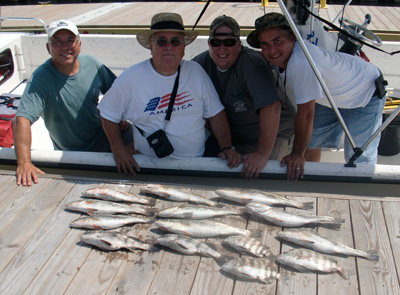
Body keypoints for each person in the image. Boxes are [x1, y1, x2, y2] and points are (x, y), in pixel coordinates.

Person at [97, 12, 241, 176]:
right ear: (151, 47)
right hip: (148, 166)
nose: (169, 46)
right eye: (161, 41)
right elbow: (107, 113)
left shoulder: (195, 71)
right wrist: (118, 149)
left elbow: (216, 114)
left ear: (183, 49)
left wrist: (226, 148)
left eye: (175, 41)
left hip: (198, 162)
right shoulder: (131, 77)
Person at [247, 12, 387, 181]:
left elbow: (306, 113)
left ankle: (365, 195)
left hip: (365, 92)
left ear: (293, 38)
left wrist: (297, 154)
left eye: (277, 41)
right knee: (310, 141)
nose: (272, 50)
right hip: (332, 96)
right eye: (265, 44)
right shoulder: (281, 55)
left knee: (359, 158)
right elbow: (266, 55)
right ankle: (308, 180)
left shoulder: (301, 63)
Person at [14, 19, 128, 187]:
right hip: (72, 152)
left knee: (143, 141)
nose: (65, 47)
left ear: (79, 44)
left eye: (70, 40)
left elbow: (119, 93)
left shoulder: (92, 64)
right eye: (57, 42)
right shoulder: (41, 78)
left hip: (104, 134)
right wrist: (24, 162)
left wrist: (122, 115)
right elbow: (22, 119)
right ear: (48, 48)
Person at [193, 15, 296, 179]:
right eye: (216, 42)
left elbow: (272, 107)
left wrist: (262, 154)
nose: (222, 48)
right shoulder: (199, 64)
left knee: (259, 178)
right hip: (231, 139)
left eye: (229, 42)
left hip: (272, 135)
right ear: (209, 44)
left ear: (239, 45)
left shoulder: (252, 64)